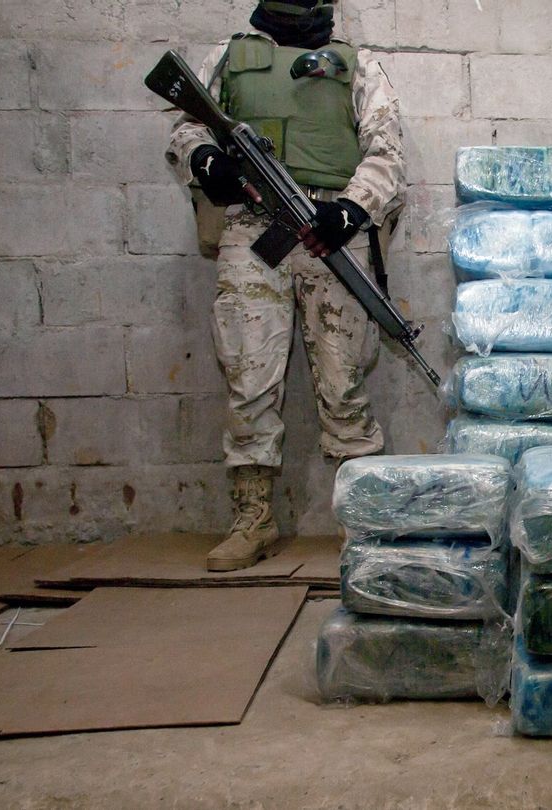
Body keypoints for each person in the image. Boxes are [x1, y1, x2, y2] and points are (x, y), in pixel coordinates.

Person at [165, 0, 405, 571]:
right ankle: (254, 520)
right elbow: (185, 125)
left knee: (344, 382)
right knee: (249, 378)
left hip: (330, 236)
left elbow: (386, 153)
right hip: (252, 231)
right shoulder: (228, 57)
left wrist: (351, 210)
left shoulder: (359, 65)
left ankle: (360, 523)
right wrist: (204, 160)